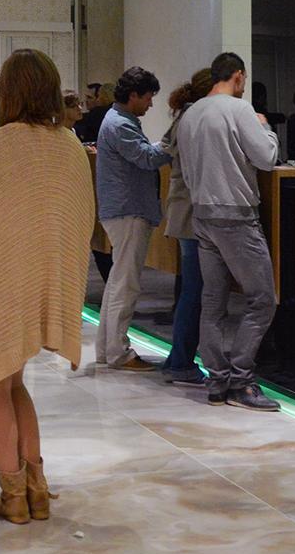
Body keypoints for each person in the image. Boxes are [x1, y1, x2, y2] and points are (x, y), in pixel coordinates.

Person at [0, 49, 95, 524]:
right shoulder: (70, 144)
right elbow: (81, 217)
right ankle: (37, 489)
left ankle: (13, 496)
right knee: (15, 385)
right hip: (43, 279)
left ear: (8, 92)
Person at [177, 51, 280, 412]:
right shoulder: (240, 110)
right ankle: (241, 381)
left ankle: (217, 380)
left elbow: (185, 169)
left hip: (202, 215)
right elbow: (266, 158)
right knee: (262, 299)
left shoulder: (190, 115)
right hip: (235, 215)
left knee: (213, 302)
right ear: (237, 76)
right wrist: (264, 127)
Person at [93, 66, 171, 370]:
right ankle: (119, 352)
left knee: (117, 283)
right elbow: (147, 158)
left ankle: (107, 349)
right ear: (134, 95)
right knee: (126, 285)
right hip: (128, 211)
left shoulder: (117, 120)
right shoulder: (120, 124)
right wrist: (172, 140)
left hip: (123, 211)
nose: (150, 104)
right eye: (149, 97)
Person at [157, 69, 211, 388]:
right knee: (194, 291)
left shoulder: (184, 116)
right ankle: (181, 362)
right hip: (193, 214)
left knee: (190, 289)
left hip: (183, 212)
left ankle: (179, 358)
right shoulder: (195, 118)